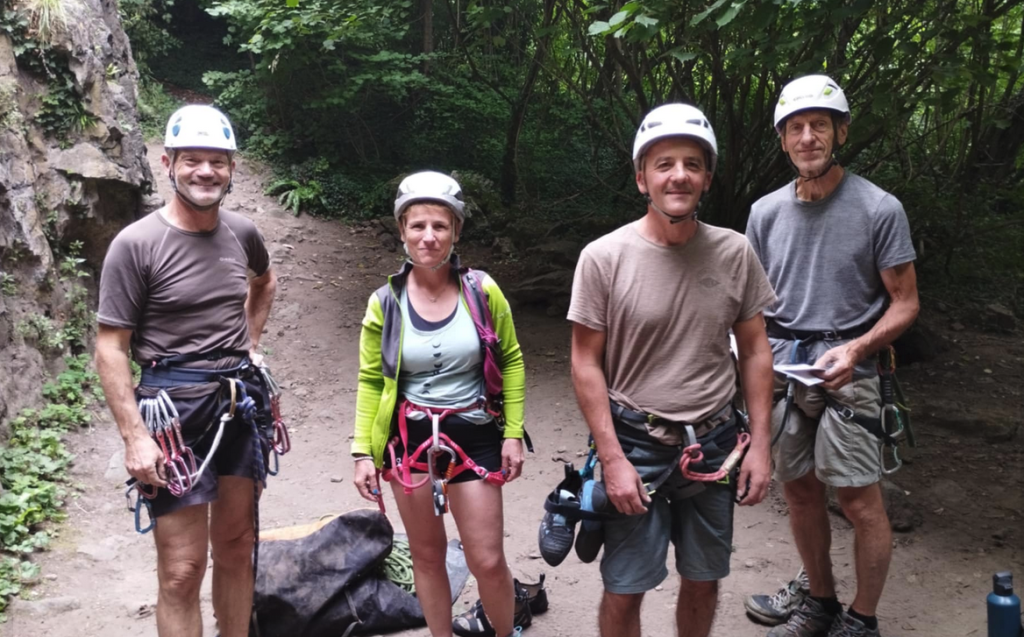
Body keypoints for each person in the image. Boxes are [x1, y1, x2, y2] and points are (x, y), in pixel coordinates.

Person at [567, 103, 777, 637]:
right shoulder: (604, 257)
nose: (678, 175)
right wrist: (611, 458)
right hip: (637, 444)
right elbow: (585, 362)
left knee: (704, 579)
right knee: (625, 586)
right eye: (664, 164)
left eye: (691, 164)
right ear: (642, 178)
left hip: (715, 444)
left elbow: (755, 349)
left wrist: (760, 445)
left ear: (707, 177)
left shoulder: (734, 252)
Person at [745, 75, 920, 637]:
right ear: (782, 139)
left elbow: (905, 303)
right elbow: (751, 305)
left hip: (852, 369)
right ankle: (819, 602)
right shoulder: (765, 213)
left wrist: (859, 348)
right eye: (795, 127)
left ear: (841, 131)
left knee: (858, 499)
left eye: (819, 125)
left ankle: (861, 620)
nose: (808, 137)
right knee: (798, 490)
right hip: (784, 366)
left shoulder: (878, 208)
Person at [95, 104, 278, 637]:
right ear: (168, 163)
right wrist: (135, 437)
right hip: (172, 412)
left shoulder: (242, 233)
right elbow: (111, 347)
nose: (205, 171)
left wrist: (250, 343)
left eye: (217, 161)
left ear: (232, 169)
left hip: (238, 402)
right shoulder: (136, 244)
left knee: (238, 545)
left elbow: (264, 281)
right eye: (192, 159)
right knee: (181, 570)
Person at [350, 171, 528, 637]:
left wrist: (513, 433)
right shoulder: (384, 303)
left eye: (440, 226)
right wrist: (362, 451)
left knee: (487, 560)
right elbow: (371, 380)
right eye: (418, 225)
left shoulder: (482, 291)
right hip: (409, 441)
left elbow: (511, 359)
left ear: (456, 232)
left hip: (474, 432)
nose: (428, 237)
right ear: (402, 231)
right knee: (427, 558)